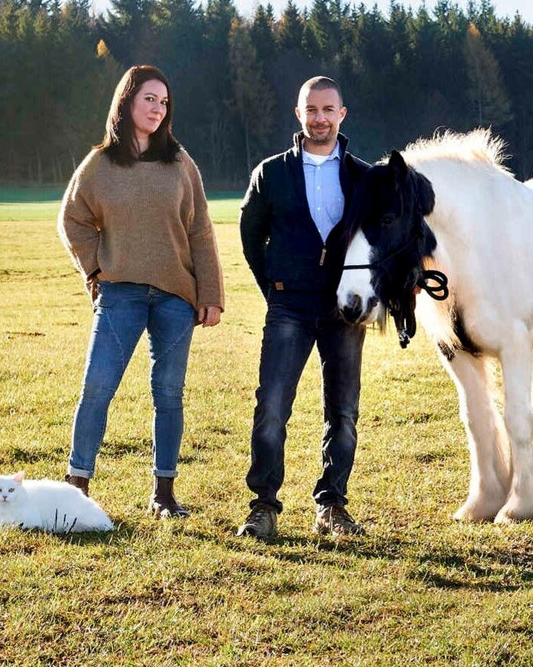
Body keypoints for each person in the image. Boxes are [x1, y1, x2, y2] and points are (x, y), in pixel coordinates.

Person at [58, 65, 224, 518]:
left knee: (168, 394)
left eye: (164, 101)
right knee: (97, 386)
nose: (157, 108)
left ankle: (164, 494)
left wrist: (210, 293)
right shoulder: (100, 164)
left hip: (175, 296)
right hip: (120, 295)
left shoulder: (179, 162)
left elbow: (201, 231)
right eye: (149, 98)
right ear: (127, 101)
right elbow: (72, 220)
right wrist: (95, 269)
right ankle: (77, 489)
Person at [236, 75, 371, 540]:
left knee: (344, 412)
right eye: (311, 109)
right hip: (288, 305)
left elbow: (380, 240)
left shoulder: (362, 176)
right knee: (272, 406)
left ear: (342, 114)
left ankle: (332, 505)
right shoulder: (270, 173)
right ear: (299, 115)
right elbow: (251, 235)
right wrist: (272, 286)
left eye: (328, 109)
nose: (319, 118)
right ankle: (264, 506)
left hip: (343, 311)